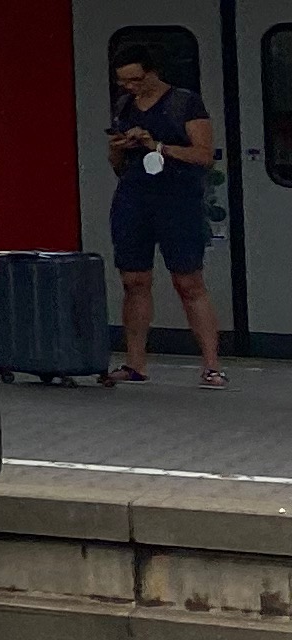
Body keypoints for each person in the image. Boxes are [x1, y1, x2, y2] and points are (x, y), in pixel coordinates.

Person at [102, 37, 226, 387]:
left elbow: (203, 155)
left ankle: (211, 365)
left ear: (152, 73)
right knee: (134, 280)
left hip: (178, 199)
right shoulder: (125, 105)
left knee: (188, 281)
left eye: (135, 79)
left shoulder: (185, 103)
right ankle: (135, 363)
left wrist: (156, 145)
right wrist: (118, 148)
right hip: (134, 197)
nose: (129, 87)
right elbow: (118, 166)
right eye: (123, 81)